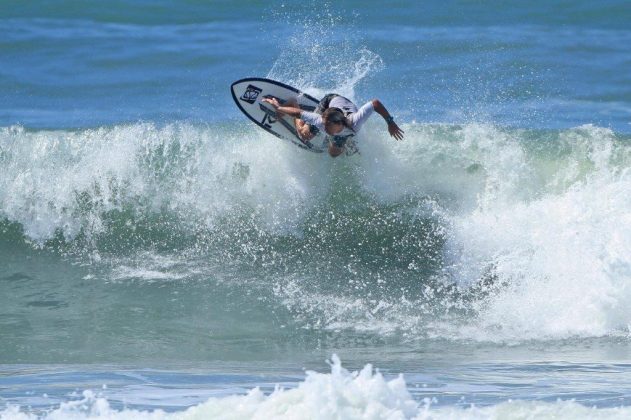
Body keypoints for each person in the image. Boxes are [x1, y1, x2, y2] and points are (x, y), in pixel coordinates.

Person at [262, 93, 404, 157]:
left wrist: (390, 122)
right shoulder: (320, 121)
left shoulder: (356, 121)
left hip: (345, 108)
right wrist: (279, 108)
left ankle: (345, 141)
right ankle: (293, 100)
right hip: (329, 102)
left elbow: (375, 103)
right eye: (324, 126)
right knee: (305, 135)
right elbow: (298, 113)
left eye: (328, 127)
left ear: (338, 124)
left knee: (334, 154)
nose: (325, 128)